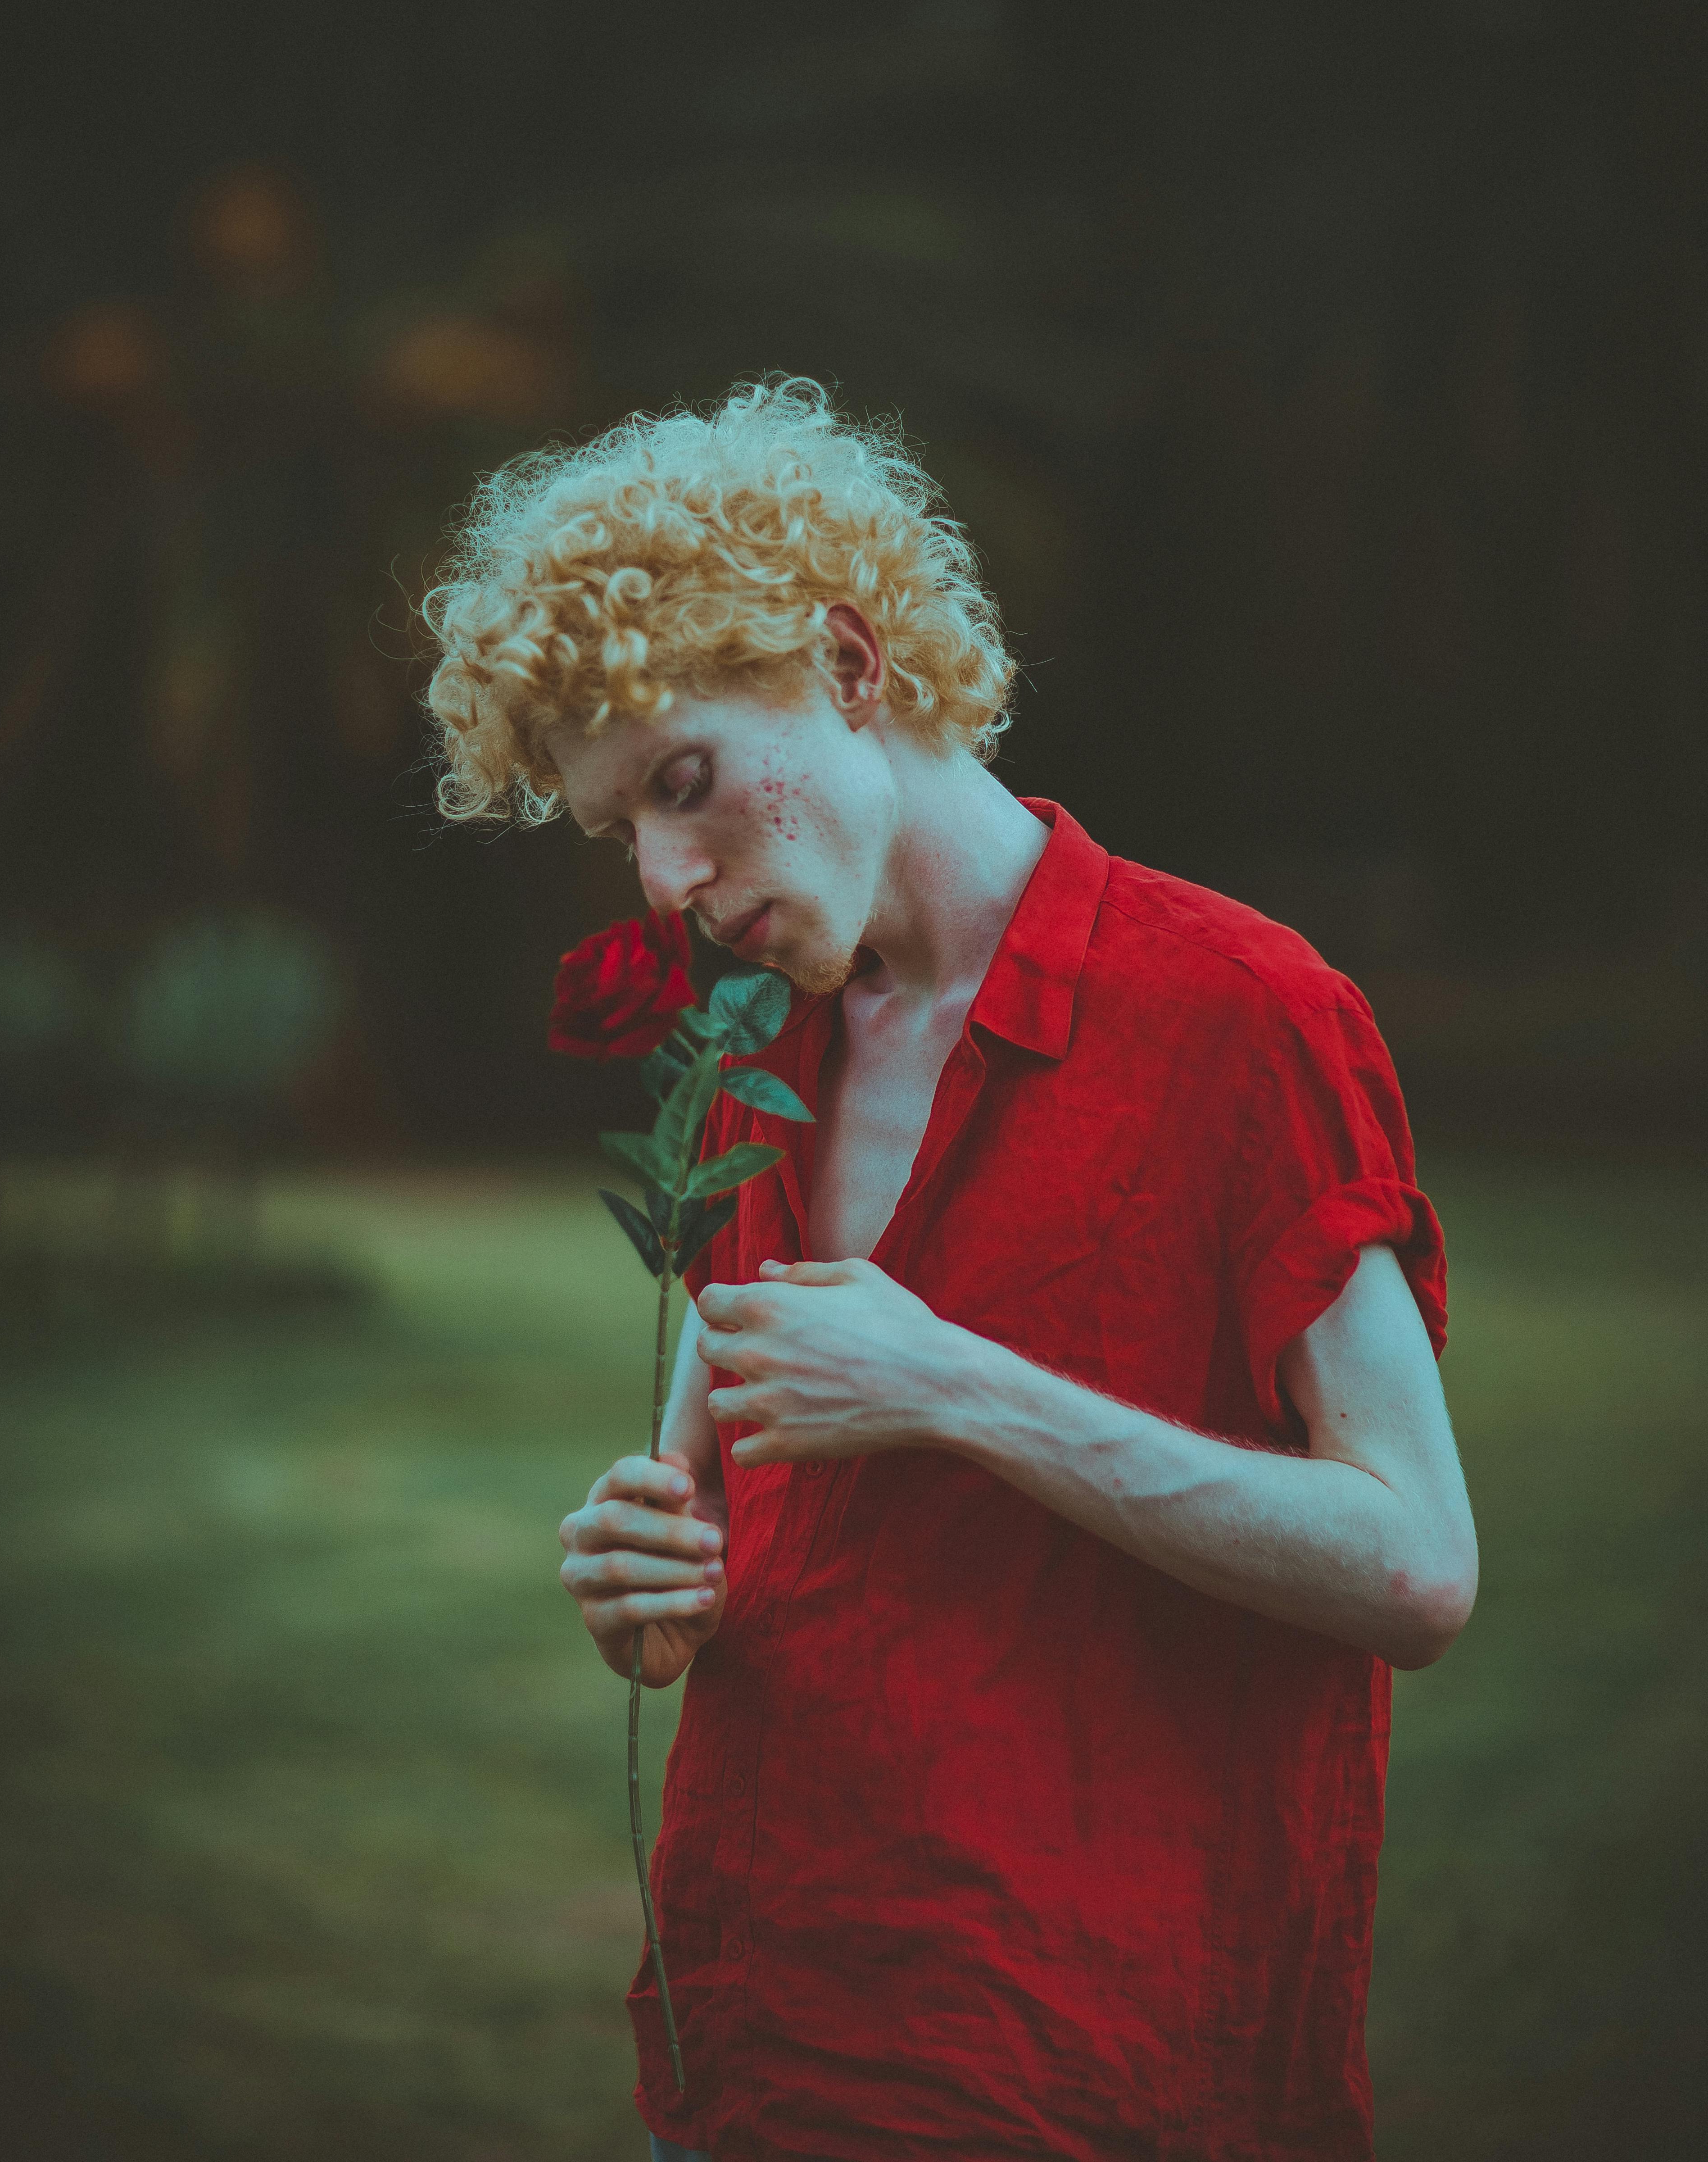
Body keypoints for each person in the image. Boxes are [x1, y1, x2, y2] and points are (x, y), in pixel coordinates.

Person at [421, 378, 1478, 2162]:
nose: (668, 880)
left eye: (685, 784)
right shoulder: (750, 1053)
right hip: (755, 2022)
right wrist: (647, 1576)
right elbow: (728, 1521)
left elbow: (1417, 1564)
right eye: (624, 831)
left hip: (1086, 2062)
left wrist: (956, 1389)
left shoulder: (1243, 1014)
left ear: (846, 663)